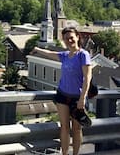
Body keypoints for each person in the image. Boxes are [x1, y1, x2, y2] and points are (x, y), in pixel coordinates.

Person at [32, 26, 92, 155]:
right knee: (64, 127)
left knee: (76, 129)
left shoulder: (83, 54)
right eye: (66, 39)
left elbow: (87, 77)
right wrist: (37, 49)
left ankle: (75, 153)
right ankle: (64, 153)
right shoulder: (64, 55)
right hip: (63, 96)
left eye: (71, 37)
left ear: (77, 37)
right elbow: (50, 54)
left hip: (78, 98)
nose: (69, 40)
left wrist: (82, 99)